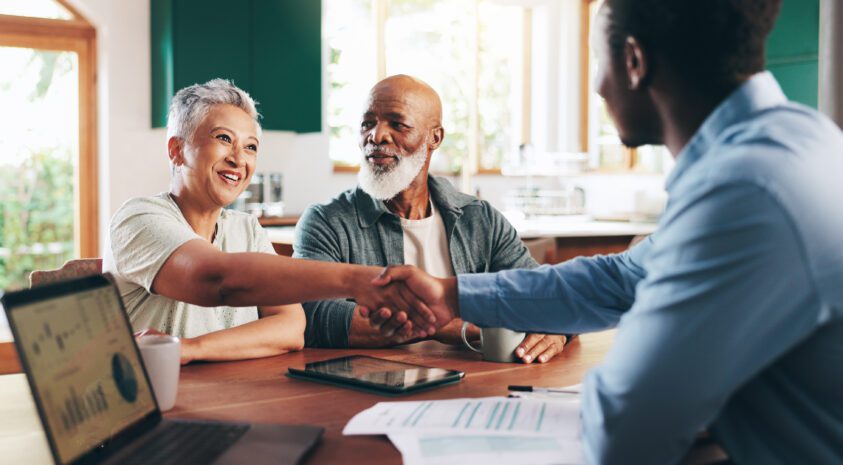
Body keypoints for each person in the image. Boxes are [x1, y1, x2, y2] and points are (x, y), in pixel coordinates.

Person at [362, 1, 843, 464]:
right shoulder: (798, 144)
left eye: (597, 61)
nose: (596, 85)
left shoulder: (746, 192)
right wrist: (451, 294)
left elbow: (626, 433)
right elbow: (616, 279)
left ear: (634, 62)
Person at [103, 79, 424, 365]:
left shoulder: (246, 228)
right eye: (223, 138)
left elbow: (290, 327)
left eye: (250, 147)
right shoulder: (138, 219)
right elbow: (215, 279)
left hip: (230, 401)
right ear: (177, 150)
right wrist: (358, 280)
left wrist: (190, 349)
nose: (238, 158)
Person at [293, 75, 569, 362]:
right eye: (367, 123)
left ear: (434, 138)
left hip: (475, 386)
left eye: (397, 124)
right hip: (373, 391)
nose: (376, 136)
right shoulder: (325, 221)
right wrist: (441, 324)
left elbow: (546, 294)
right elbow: (314, 315)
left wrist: (558, 329)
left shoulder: (481, 219)